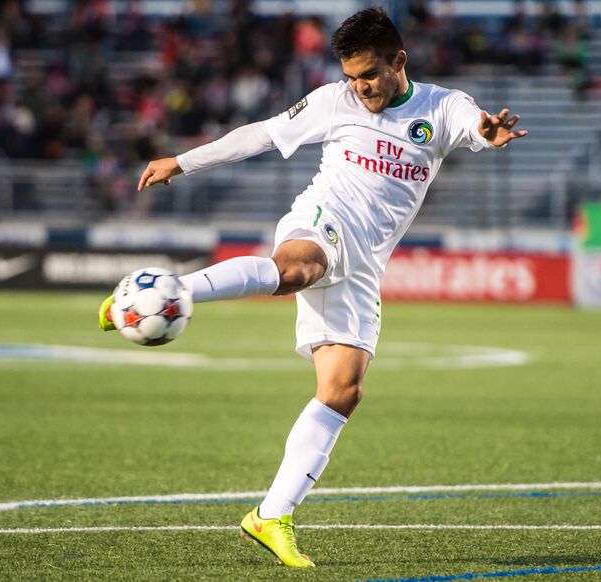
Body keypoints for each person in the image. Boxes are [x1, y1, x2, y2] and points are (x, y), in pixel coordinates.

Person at [97, 7, 526, 568]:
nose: (360, 87)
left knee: (343, 390)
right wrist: (182, 161)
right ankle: (167, 292)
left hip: (368, 261)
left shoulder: (441, 107)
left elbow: (475, 124)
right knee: (298, 267)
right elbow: (260, 135)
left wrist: (487, 136)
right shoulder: (334, 101)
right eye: (351, 75)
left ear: (399, 61)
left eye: (369, 74)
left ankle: (271, 516)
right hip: (322, 219)